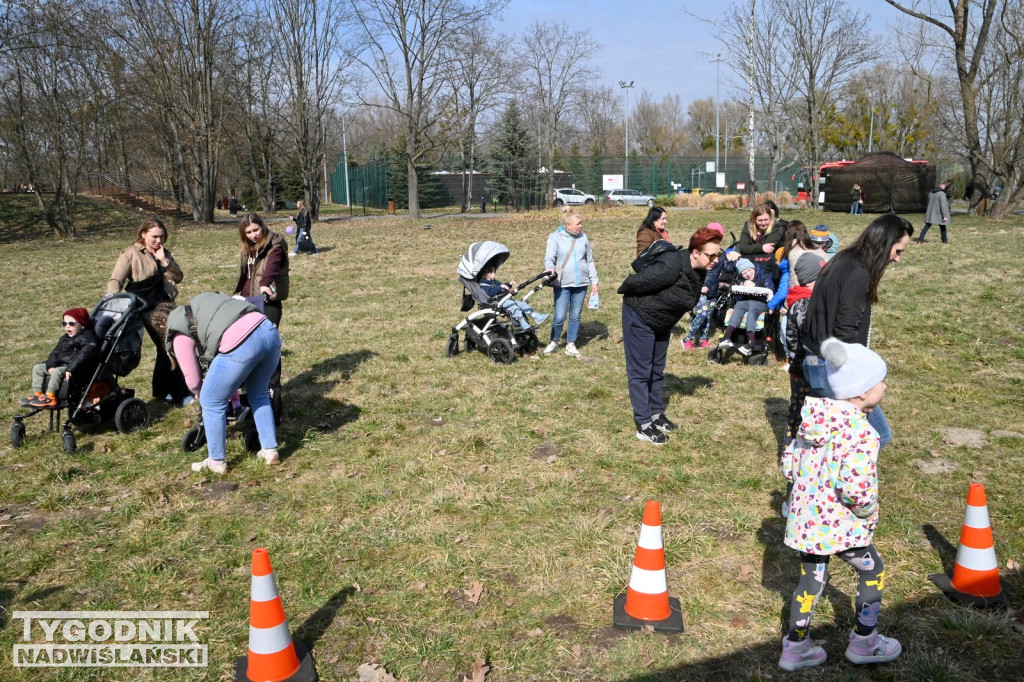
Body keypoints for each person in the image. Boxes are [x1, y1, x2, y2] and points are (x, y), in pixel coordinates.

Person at [778, 337, 902, 671]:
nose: (885, 385)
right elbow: (856, 490)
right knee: (873, 570)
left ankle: (795, 649)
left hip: (808, 525)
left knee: (811, 580)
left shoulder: (811, 422)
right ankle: (865, 640)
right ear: (862, 392)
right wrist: (868, 511)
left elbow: (789, 465)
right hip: (843, 528)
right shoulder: (861, 433)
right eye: (879, 381)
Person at [802, 214, 913, 450]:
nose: (897, 259)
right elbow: (846, 332)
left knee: (830, 439)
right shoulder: (858, 273)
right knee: (878, 436)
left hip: (816, 359)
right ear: (884, 244)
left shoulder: (845, 258)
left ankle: (821, 482)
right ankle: (845, 484)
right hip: (832, 367)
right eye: (898, 250)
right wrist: (861, 383)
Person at [155, 292, 282, 474]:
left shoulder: (178, 332)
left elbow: (193, 380)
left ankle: (216, 462)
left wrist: (201, 396)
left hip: (243, 341)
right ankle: (270, 450)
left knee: (211, 401)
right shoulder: (201, 303)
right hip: (267, 329)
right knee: (259, 394)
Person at [619, 227, 722, 444]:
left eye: (718, 255)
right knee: (641, 371)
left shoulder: (700, 271)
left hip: (662, 321)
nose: (715, 259)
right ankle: (643, 423)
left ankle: (656, 413)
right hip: (640, 316)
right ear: (695, 252)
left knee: (657, 369)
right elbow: (635, 282)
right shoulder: (672, 265)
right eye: (711, 255)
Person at [106, 216, 191, 404]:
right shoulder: (131, 254)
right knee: (171, 346)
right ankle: (180, 393)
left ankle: (162, 391)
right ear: (143, 234)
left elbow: (178, 277)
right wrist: (113, 304)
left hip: (167, 305)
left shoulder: (163, 253)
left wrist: (164, 262)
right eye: (154, 237)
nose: (158, 241)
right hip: (147, 309)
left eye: (161, 236)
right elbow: (115, 280)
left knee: (166, 348)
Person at [233, 213, 289, 401]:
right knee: (246, 344)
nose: (253, 235)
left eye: (255, 230)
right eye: (248, 232)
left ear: (262, 227)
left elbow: (272, 266)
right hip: (247, 301)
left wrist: (266, 283)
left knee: (269, 345)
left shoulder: (276, 244)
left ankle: (274, 389)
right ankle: (250, 386)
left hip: (268, 301)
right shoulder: (248, 248)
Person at [543, 207, 599, 357]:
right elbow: (549, 257)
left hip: (581, 283)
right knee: (560, 316)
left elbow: (589, 261)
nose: (581, 226)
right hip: (562, 283)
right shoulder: (555, 237)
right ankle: (554, 341)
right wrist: (549, 268)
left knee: (575, 315)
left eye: (581, 223)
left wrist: (594, 281)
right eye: (578, 223)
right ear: (568, 225)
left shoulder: (583, 238)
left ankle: (571, 344)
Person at [783, 253, 826, 443]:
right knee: (800, 407)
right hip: (802, 366)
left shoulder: (808, 299)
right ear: (810, 280)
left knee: (804, 405)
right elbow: (809, 335)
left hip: (805, 364)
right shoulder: (803, 303)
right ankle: (791, 444)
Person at [24, 308, 100, 408]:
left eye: (71, 324)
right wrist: (51, 365)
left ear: (82, 325)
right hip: (63, 364)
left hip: (78, 369)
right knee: (38, 368)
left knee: (57, 372)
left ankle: (50, 397)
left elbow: (83, 356)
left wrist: (70, 369)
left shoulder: (87, 338)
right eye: (64, 323)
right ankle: (38, 394)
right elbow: (55, 352)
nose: (67, 326)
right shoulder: (65, 338)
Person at [681, 222, 726, 350]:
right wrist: (701, 286)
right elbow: (696, 273)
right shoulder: (702, 256)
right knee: (701, 314)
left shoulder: (720, 255)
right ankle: (688, 339)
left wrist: (737, 259)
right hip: (701, 291)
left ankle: (703, 339)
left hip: (713, 291)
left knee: (708, 317)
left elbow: (727, 267)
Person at [717, 258, 774, 354]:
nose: (747, 274)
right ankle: (726, 337)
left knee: (752, 312)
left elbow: (770, 290)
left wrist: (755, 287)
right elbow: (737, 296)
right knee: (738, 308)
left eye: (749, 270)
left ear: (753, 268)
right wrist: (742, 286)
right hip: (744, 300)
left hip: (760, 301)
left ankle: (751, 342)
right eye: (744, 273)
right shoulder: (741, 279)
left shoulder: (764, 275)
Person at [478, 266, 549, 330]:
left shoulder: (494, 281)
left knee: (522, 304)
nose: (495, 274)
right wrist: (500, 287)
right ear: (489, 274)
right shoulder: (484, 284)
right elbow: (491, 292)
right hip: (498, 302)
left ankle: (536, 316)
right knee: (513, 306)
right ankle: (522, 322)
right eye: (494, 272)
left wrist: (509, 284)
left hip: (505, 299)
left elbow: (503, 287)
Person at [735, 203, 784, 274]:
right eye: (760, 220)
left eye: (766, 220)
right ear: (754, 219)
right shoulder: (748, 226)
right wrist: (762, 247)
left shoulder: (776, 228)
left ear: (770, 218)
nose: (763, 223)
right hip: (748, 263)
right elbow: (743, 247)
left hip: (767, 263)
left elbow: (768, 249)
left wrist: (751, 249)